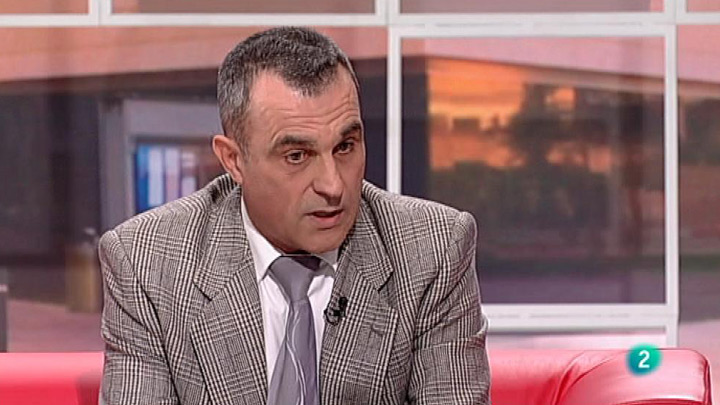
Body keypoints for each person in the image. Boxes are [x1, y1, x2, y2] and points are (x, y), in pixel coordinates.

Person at [99, 26, 490, 405]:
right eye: (297, 156)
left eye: (345, 146)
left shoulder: (432, 249)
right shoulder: (147, 263)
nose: (333, 186)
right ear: (233, 160)